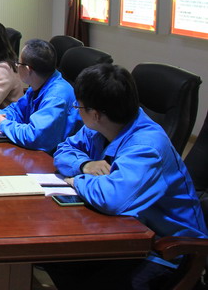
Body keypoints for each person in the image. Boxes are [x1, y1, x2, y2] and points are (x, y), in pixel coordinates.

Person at [45, 63, 207, 290]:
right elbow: (63, 150)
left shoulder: (147, 146)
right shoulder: (99, 127)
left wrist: (77, 179)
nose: (77, 110)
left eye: (78, 106)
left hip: (166, 252)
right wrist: (84, 164)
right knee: (55, 258)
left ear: (95, 114)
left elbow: (112, 198)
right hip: (125, 232)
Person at [0, 39, 81, 153]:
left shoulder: (56, 96)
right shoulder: (38, 85)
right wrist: (0, 116)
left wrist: (3, 124)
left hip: (54, 157)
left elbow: (36, 137)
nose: (16, 66)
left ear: (27, 69)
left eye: (18, 63)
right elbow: (17, 110)